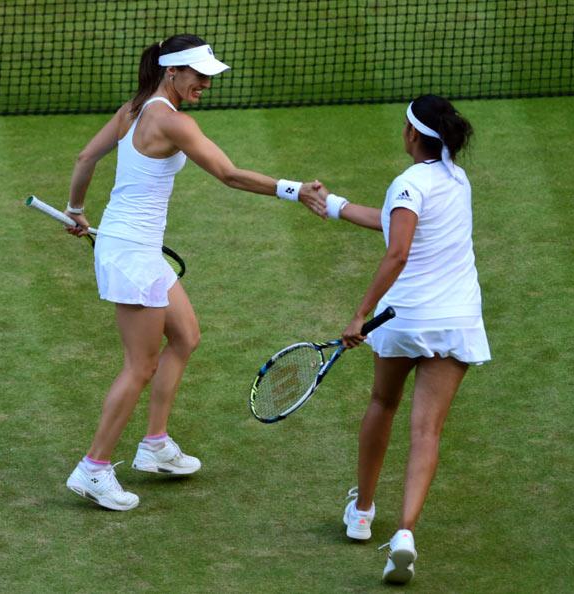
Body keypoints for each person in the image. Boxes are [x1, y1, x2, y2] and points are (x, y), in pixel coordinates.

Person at [63, 34, 326, 511]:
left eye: (209, 75)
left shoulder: (133, 109)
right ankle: (93, 469)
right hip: (132, 254)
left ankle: (155, 445)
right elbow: (228, 174)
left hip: (132, 247)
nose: (206, 83)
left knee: (185, 336)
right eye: (198, 75)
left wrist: (75, 209)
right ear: (172, 73)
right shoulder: (171, 121)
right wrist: (294, 190)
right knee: (139, 365)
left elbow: (86, 158)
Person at [317, 95, 490, 584]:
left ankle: (364, 512)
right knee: (426, 431)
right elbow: (393, 218)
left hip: (404, 317)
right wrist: (333, 205)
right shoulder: (457, 179)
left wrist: (359, 314)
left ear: (413, 136)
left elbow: (397, 251)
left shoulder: (408, 183)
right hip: (455, 320)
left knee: (382, 404)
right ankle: (406, 533)